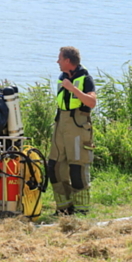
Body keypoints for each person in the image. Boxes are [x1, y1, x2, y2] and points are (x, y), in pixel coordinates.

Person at [48, 46, 97, 215]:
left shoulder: (86, 78)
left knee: (77, 168)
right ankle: (63, 208)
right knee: (54, 166)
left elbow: (91, 102)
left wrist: (72, 89)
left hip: (78, 125)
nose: (58, 62)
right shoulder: (62, 76)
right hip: (61, 123)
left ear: (68, 61)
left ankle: (81, 210)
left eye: (60, 59)